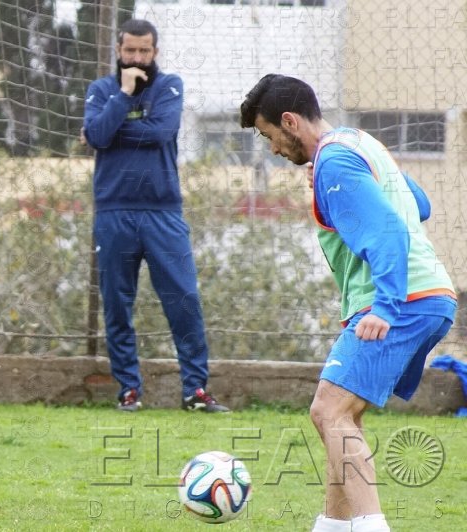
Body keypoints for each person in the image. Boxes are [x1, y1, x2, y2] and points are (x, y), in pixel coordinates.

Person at [240, 74, 456, 532]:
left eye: (268, 135)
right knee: (344, 418)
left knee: (328, 411)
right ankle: (333, 527)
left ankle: (372, 527)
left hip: (403, 301)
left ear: (290, 121)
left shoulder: (334, 163)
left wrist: (386, 307)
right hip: (429, 295)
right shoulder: (358, 143)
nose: (273, 149)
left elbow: (389, 232)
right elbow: (418, 204)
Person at [83, 19, 228, 413]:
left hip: (163, 212)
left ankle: (195, 391)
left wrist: (109, 130)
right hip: (114, 212)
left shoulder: (169, 86)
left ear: (155, 52)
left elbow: (160, 132)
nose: (136, 58)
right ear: (118, 50)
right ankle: (129, 390)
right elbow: (97, 136)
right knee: (117, 304)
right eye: (130, 50)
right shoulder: (101, 90)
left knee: (184, 300)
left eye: (144, 51)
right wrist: (123, 97)